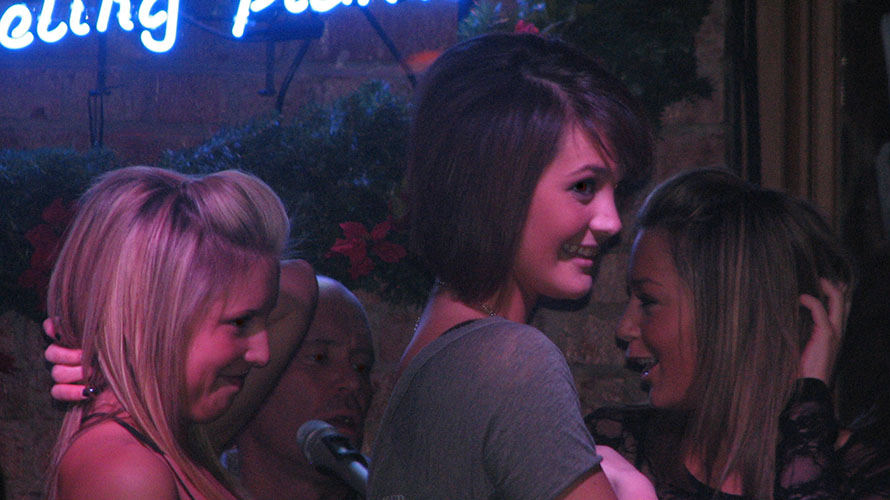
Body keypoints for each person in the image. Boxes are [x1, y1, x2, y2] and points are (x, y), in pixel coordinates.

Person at [366, 33, 656, 500]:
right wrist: (637, 491)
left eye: (614, 190)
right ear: (495, 184)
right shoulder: (511, 362)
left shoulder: (437, 349)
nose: (611, 221)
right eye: (584, 186)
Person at [589, 168, 890, 499]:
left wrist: (807, 400)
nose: (624, 328)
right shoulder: (615, 449)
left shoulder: (887, 478)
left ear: (732, 314)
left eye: (648, 301)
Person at [43, 166, 316, 500]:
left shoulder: (166, 438)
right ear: (154, 316)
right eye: (240, 322)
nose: (263, 354)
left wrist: (109, 340)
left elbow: (301, 285)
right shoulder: (126, 471)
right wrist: (107, 336)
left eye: (265, 318)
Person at [227, 275, 373, 500]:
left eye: (361, 366)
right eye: (318, 358)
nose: (353, 382)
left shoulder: (390, 489)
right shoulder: (184, 489)